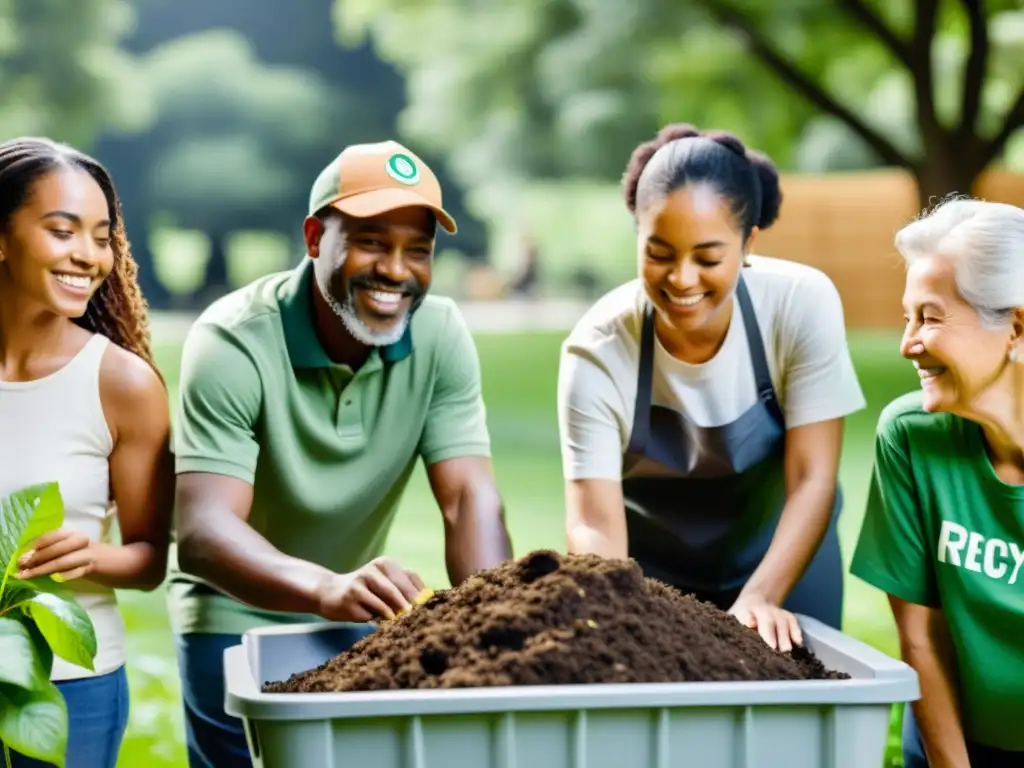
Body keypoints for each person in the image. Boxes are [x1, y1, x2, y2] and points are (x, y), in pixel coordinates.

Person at [170, 139, 514, 767]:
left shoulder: (439, 335)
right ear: (313, 237)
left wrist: (495, 621)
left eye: (418, 250)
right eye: (372, 242)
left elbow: (469, 498)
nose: (396, 270)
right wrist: (324, 587)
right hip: (233, 614)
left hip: (351, 607)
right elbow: (203, 530)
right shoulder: (232, 340)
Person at [557, 123, 866, 651]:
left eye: (707, 258)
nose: (681, 278)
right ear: (637, 234)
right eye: (659, 253)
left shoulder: (799, 305)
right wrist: (620, 612)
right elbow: (593, 523)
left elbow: (813, 476)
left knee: (799, 705)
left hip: (784, 551)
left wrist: (762, 597)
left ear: (748, 244)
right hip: (653, 570)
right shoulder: (597, 350)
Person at [0, 137, 174, 768]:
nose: (89, 255)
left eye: (102, 236)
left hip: (75, 684)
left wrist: (94, 557)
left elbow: (151, 557)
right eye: (62, 230)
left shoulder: (123, 385)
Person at [851, 197, 1024, 767]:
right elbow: (920, 640)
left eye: (929, 317)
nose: (908, 344)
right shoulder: (910, 436)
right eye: (908, 318)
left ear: (1016, 327)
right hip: (953, 748)